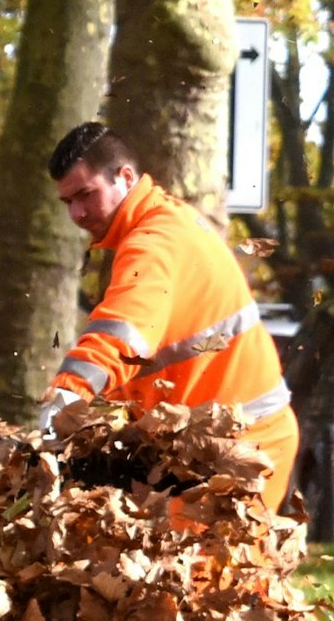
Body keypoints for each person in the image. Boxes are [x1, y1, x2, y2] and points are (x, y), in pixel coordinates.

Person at [38, 122, 300, 512]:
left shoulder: (153, 243)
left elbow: (123, 335)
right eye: (67, 203)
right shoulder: (164, 222)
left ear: (125, 177)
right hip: (218, 445)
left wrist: (67, 395)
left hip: (241, 448)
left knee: (211, 574)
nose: (77, 213)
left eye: (85, 195)